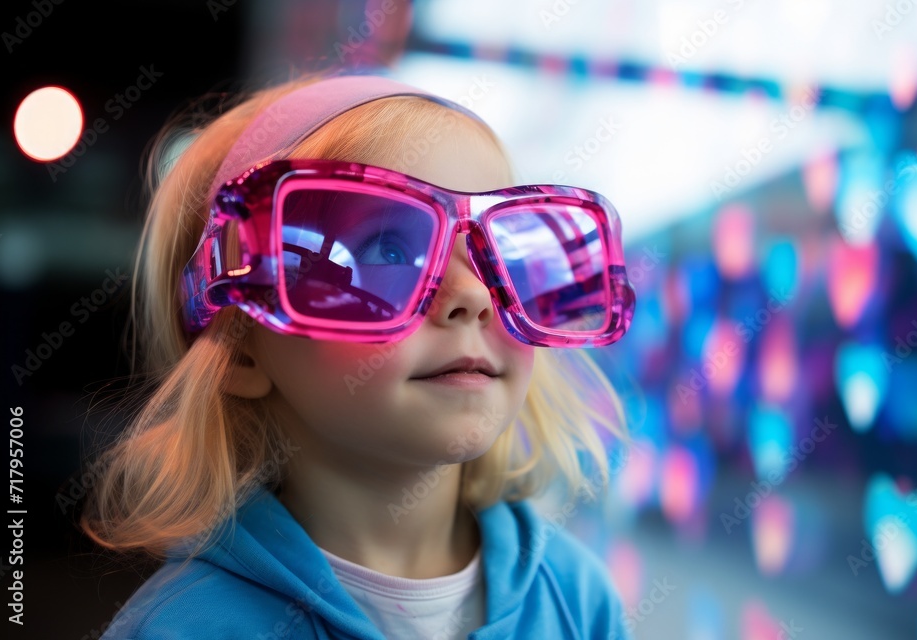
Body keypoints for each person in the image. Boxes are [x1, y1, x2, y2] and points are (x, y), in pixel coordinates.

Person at [80, 70, 638, 639]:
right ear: (239, 351)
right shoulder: (180, 630)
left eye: (499, 252)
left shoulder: (578, 599)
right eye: (390, 248)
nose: (473, 295)